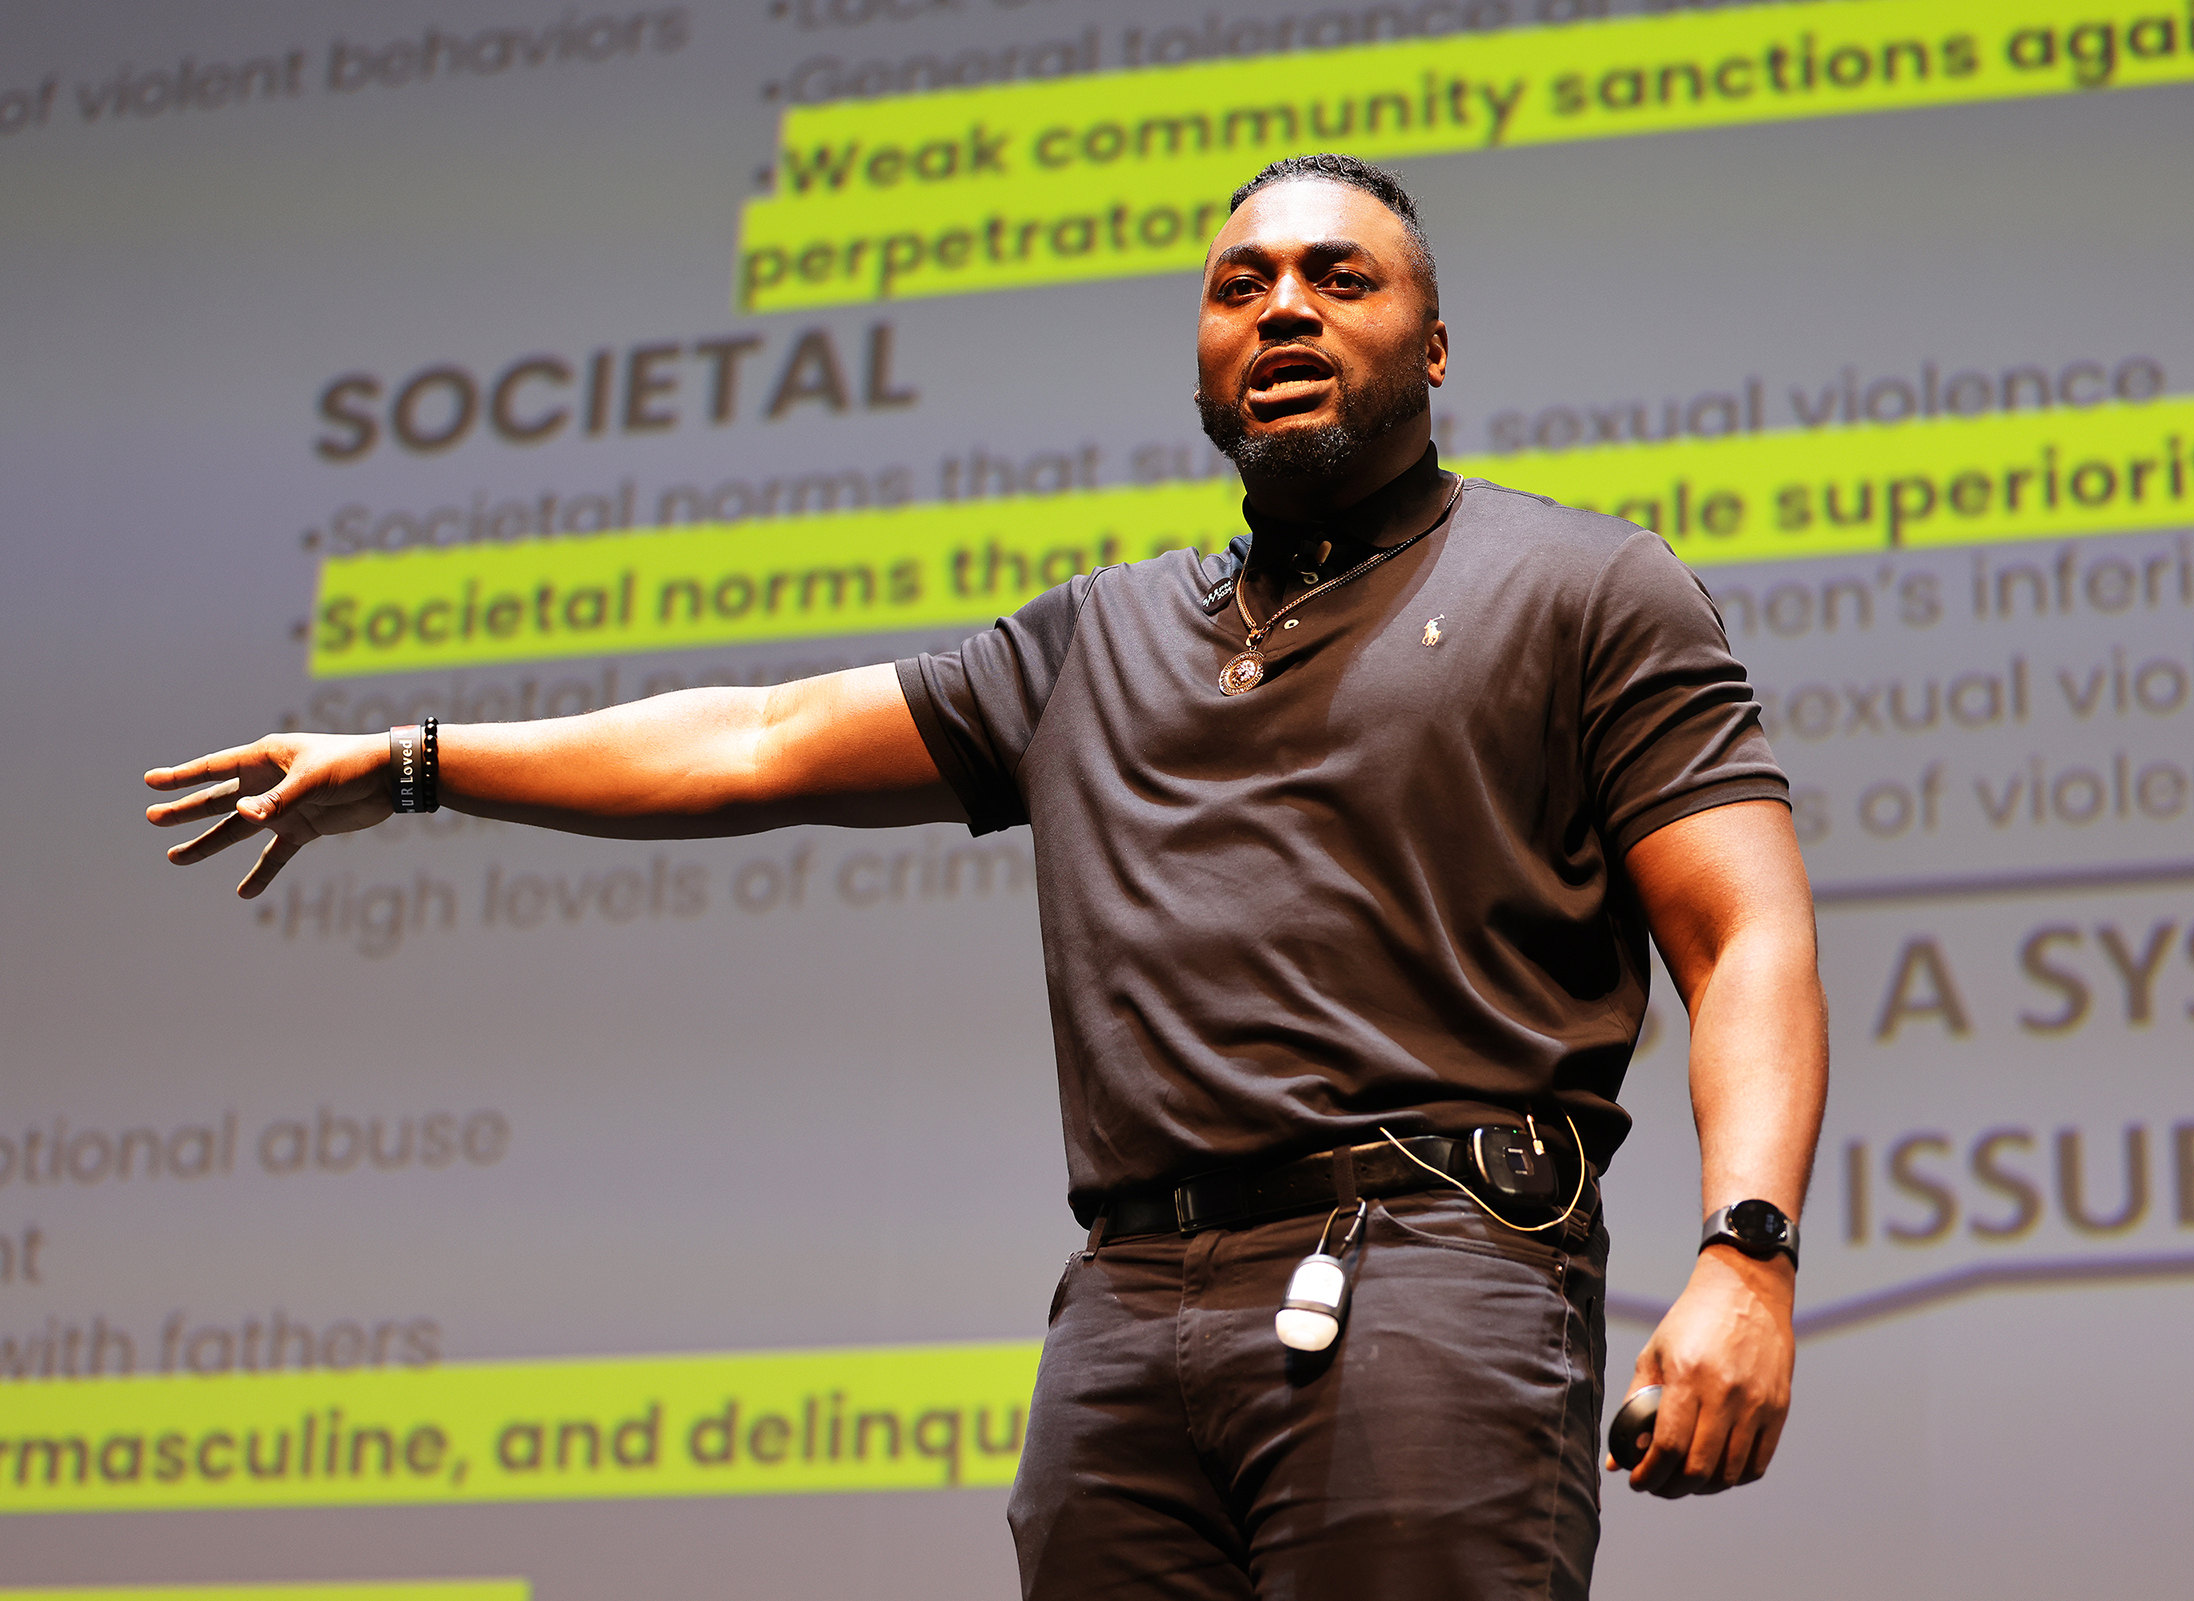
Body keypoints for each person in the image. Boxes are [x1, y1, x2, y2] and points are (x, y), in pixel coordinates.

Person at [146, 153, 1827, 1599]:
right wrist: (417, 762)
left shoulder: (1589, 585)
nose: (1287, 308)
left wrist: (1746, 1248)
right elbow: (757, 738)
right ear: (1202, 360)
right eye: (1242, 285)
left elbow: (1740, 930)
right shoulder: (1095, 639)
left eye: (1340, 276)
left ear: (1436, 343)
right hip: (1125, 1313)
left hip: (1434, 1268)